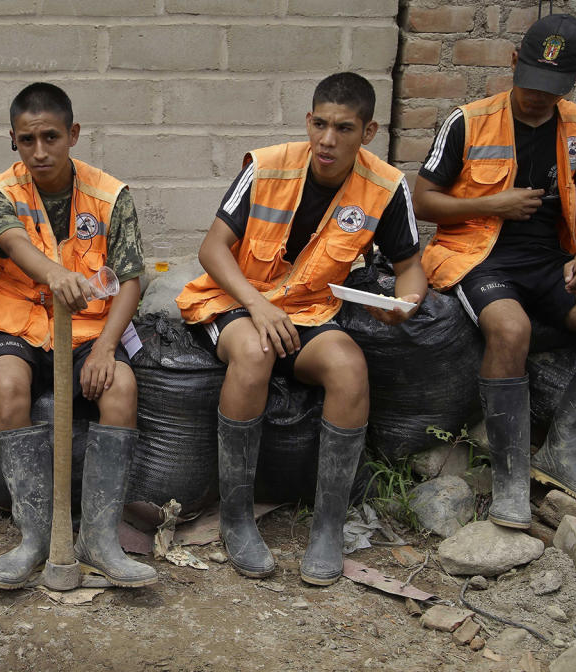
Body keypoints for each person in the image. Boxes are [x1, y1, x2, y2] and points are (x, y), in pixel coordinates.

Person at [177, 73, 426, 586]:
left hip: (309, 312)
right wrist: (256, 307)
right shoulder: (267, 166)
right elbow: (212, 249)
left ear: (369, 131)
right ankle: (237, 517)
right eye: (319, 124)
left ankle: (328, 526)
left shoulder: (385, 186)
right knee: (254, 354)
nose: (327, 140)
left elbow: (410, 265)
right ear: (308, 121)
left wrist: (408, 301)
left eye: (343, 128)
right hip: (231, 301)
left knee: (350, 367)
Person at [414, 13, 576, 517]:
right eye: (532, 82)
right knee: (510, 329)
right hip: (476, 255)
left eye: (553, 88)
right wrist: (493, 204)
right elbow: (422, 202)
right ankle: (511, 479)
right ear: (514, 62)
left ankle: (566, 452)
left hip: (550, 261)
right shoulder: (469, 119)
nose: (538, 96)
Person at [0, 82, 156, 589]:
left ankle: (98, 539)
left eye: (50, 137)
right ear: (13, 140)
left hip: (85, 331)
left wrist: (105, 346)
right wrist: (53, 273)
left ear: (72, 134)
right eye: (26, 140)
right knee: (8, 383)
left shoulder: (110, 195)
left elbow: (130, 276)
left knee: (120, 386)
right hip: (16, 325)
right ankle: (34, 538)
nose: (39, 152)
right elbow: (11, 241)